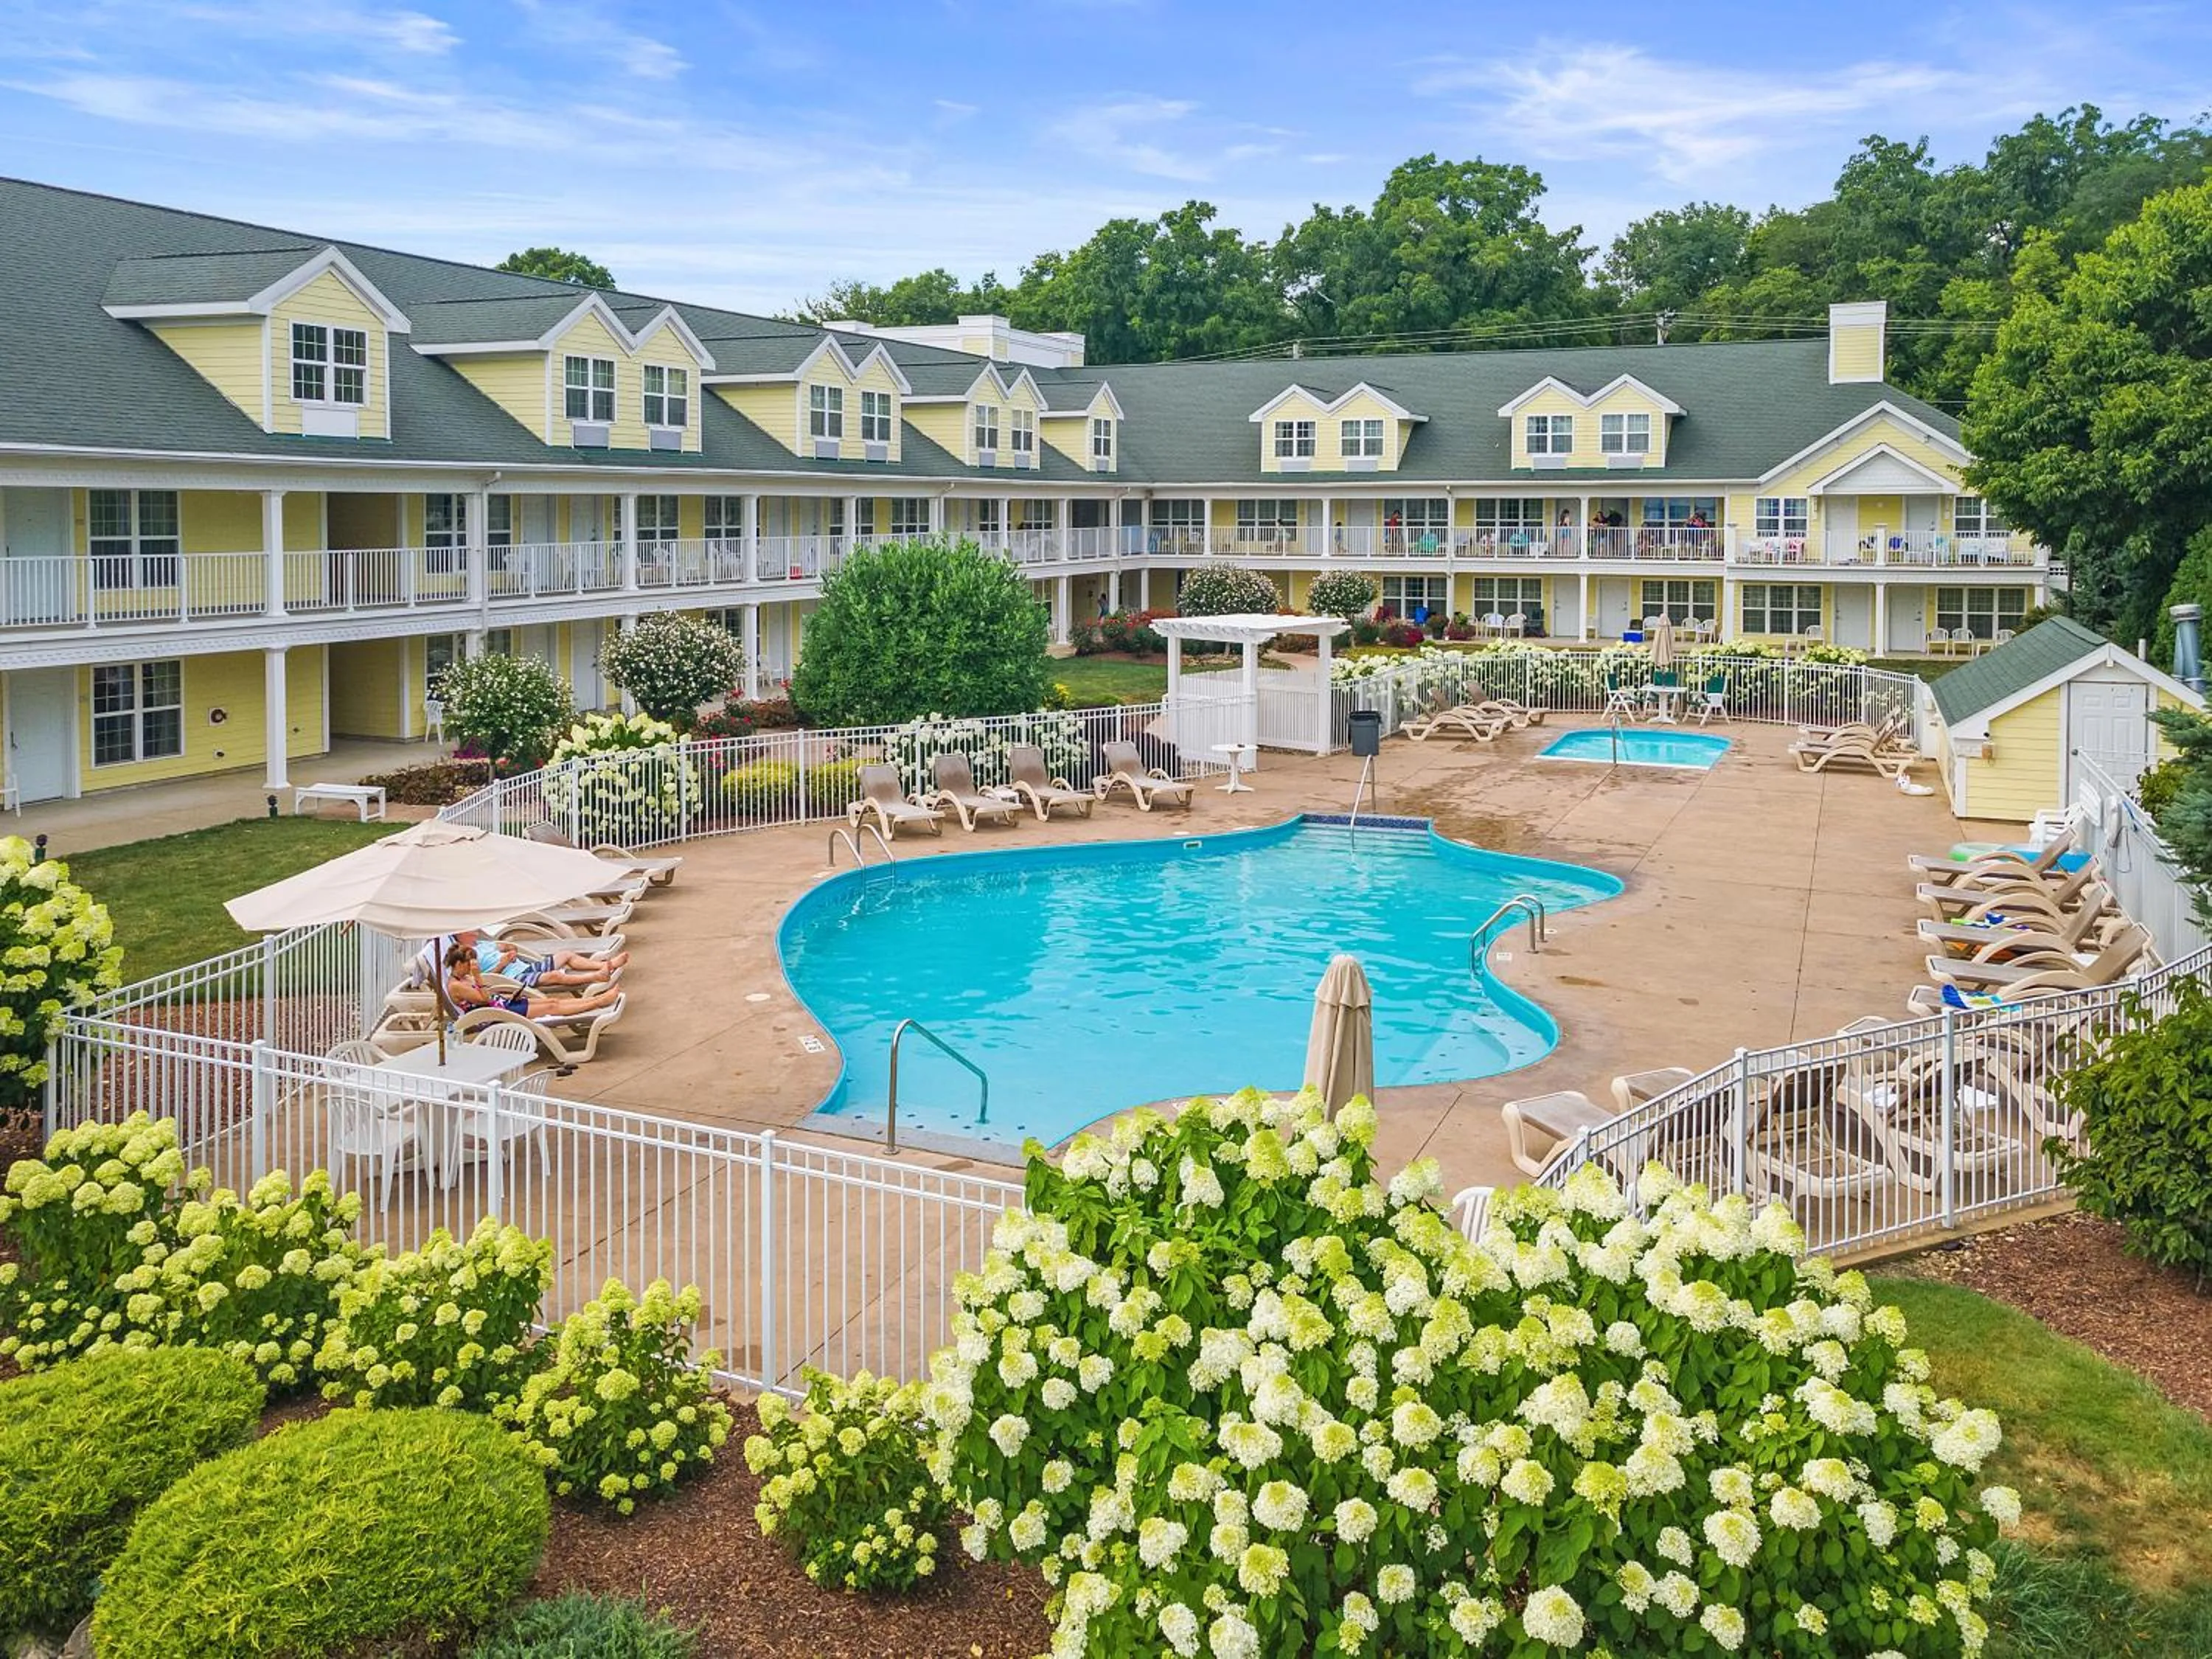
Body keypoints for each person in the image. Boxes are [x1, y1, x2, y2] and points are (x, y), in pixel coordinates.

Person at [444, 943, 618, 1021]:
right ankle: (598, 1002)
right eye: (470, 963)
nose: (473, 965)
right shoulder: (456, 986)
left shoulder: (464, 978)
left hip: (502, 1003)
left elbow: (488, 993)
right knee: (551, 1007)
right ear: (458, 964)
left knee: (552, 1001)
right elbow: (484, 999)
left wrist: (508, 995)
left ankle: (597, 1000)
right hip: (495, 1013)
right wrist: (478, 976)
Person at [456, 928, 625, 989]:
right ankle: (596, 976)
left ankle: (604, 965)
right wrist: (502, 965)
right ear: (460, 935)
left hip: (525, 967)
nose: (476, 931)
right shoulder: (465, 956)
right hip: (512, 979)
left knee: (565, 954)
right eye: (471, 930)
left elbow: (507, 946)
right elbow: (478, 980)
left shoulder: (483, 944)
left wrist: (512, 952)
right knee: (555, 976)